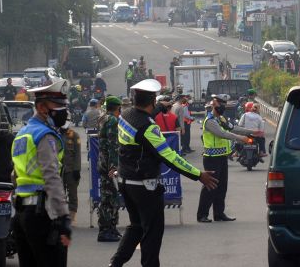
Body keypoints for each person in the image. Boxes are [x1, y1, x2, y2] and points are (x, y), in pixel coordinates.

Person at [108, 79, 218, 267]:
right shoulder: (148, 128)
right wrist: (198, 175)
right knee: (152, 234)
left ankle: (115, 264)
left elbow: (141, 115)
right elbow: (170, 157)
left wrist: (158, 107)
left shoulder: (125, 116)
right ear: (151, 101)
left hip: (126, 182)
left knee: (135, 227)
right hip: (145, 187)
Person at [11, 80, 72, 266]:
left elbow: (14, 176)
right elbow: (52, 177)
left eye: (64, 106)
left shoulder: (22, 134)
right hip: (43, 214)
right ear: (41, 107)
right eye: (57, 106)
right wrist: (63, 217)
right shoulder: (45, 135)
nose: (62, 110)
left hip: (22, 213)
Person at [197, 94, 263, 223]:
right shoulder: (210, 120)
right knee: (210, 187)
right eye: (220, 105)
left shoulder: (221, 119)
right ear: (214, 106)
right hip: (211, 158)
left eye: (224, 105)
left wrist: (251, 132)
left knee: (222, 187)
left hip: (222, 157)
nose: (222, 107)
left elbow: (233, 127)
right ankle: (202, 215)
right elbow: (223, 134)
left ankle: (219, 214)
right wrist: (241, 138)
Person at [97, 95, 122, 242]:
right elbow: (113, 145)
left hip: (102, 162)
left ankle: (111, 228)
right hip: (109, 165)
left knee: (108, 196)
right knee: (110, 198)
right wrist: (113, 166)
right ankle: (106, 230)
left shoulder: (102, 118)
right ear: (117, 107)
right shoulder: (112, 120)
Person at [60, 121, 82, 225]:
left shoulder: (74, 135)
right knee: (60, 194)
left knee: (72, 194)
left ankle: (72, 217)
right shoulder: (55, 134)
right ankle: (62, 216)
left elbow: (77, 154)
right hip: (59, 170)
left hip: (71, 170)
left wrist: (77, 169)